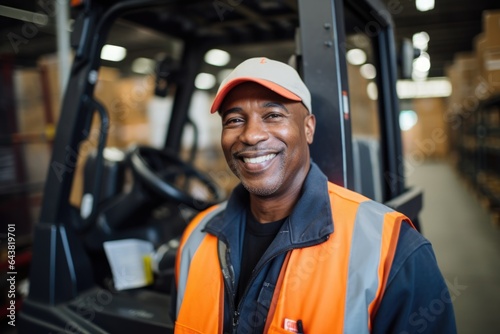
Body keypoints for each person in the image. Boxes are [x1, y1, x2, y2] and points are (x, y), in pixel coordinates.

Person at [172, 57, 457, 333]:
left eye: (272, 115)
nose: (251, 135)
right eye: (234, 120)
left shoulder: (390, 247)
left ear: (308, 128)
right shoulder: (195, 238)